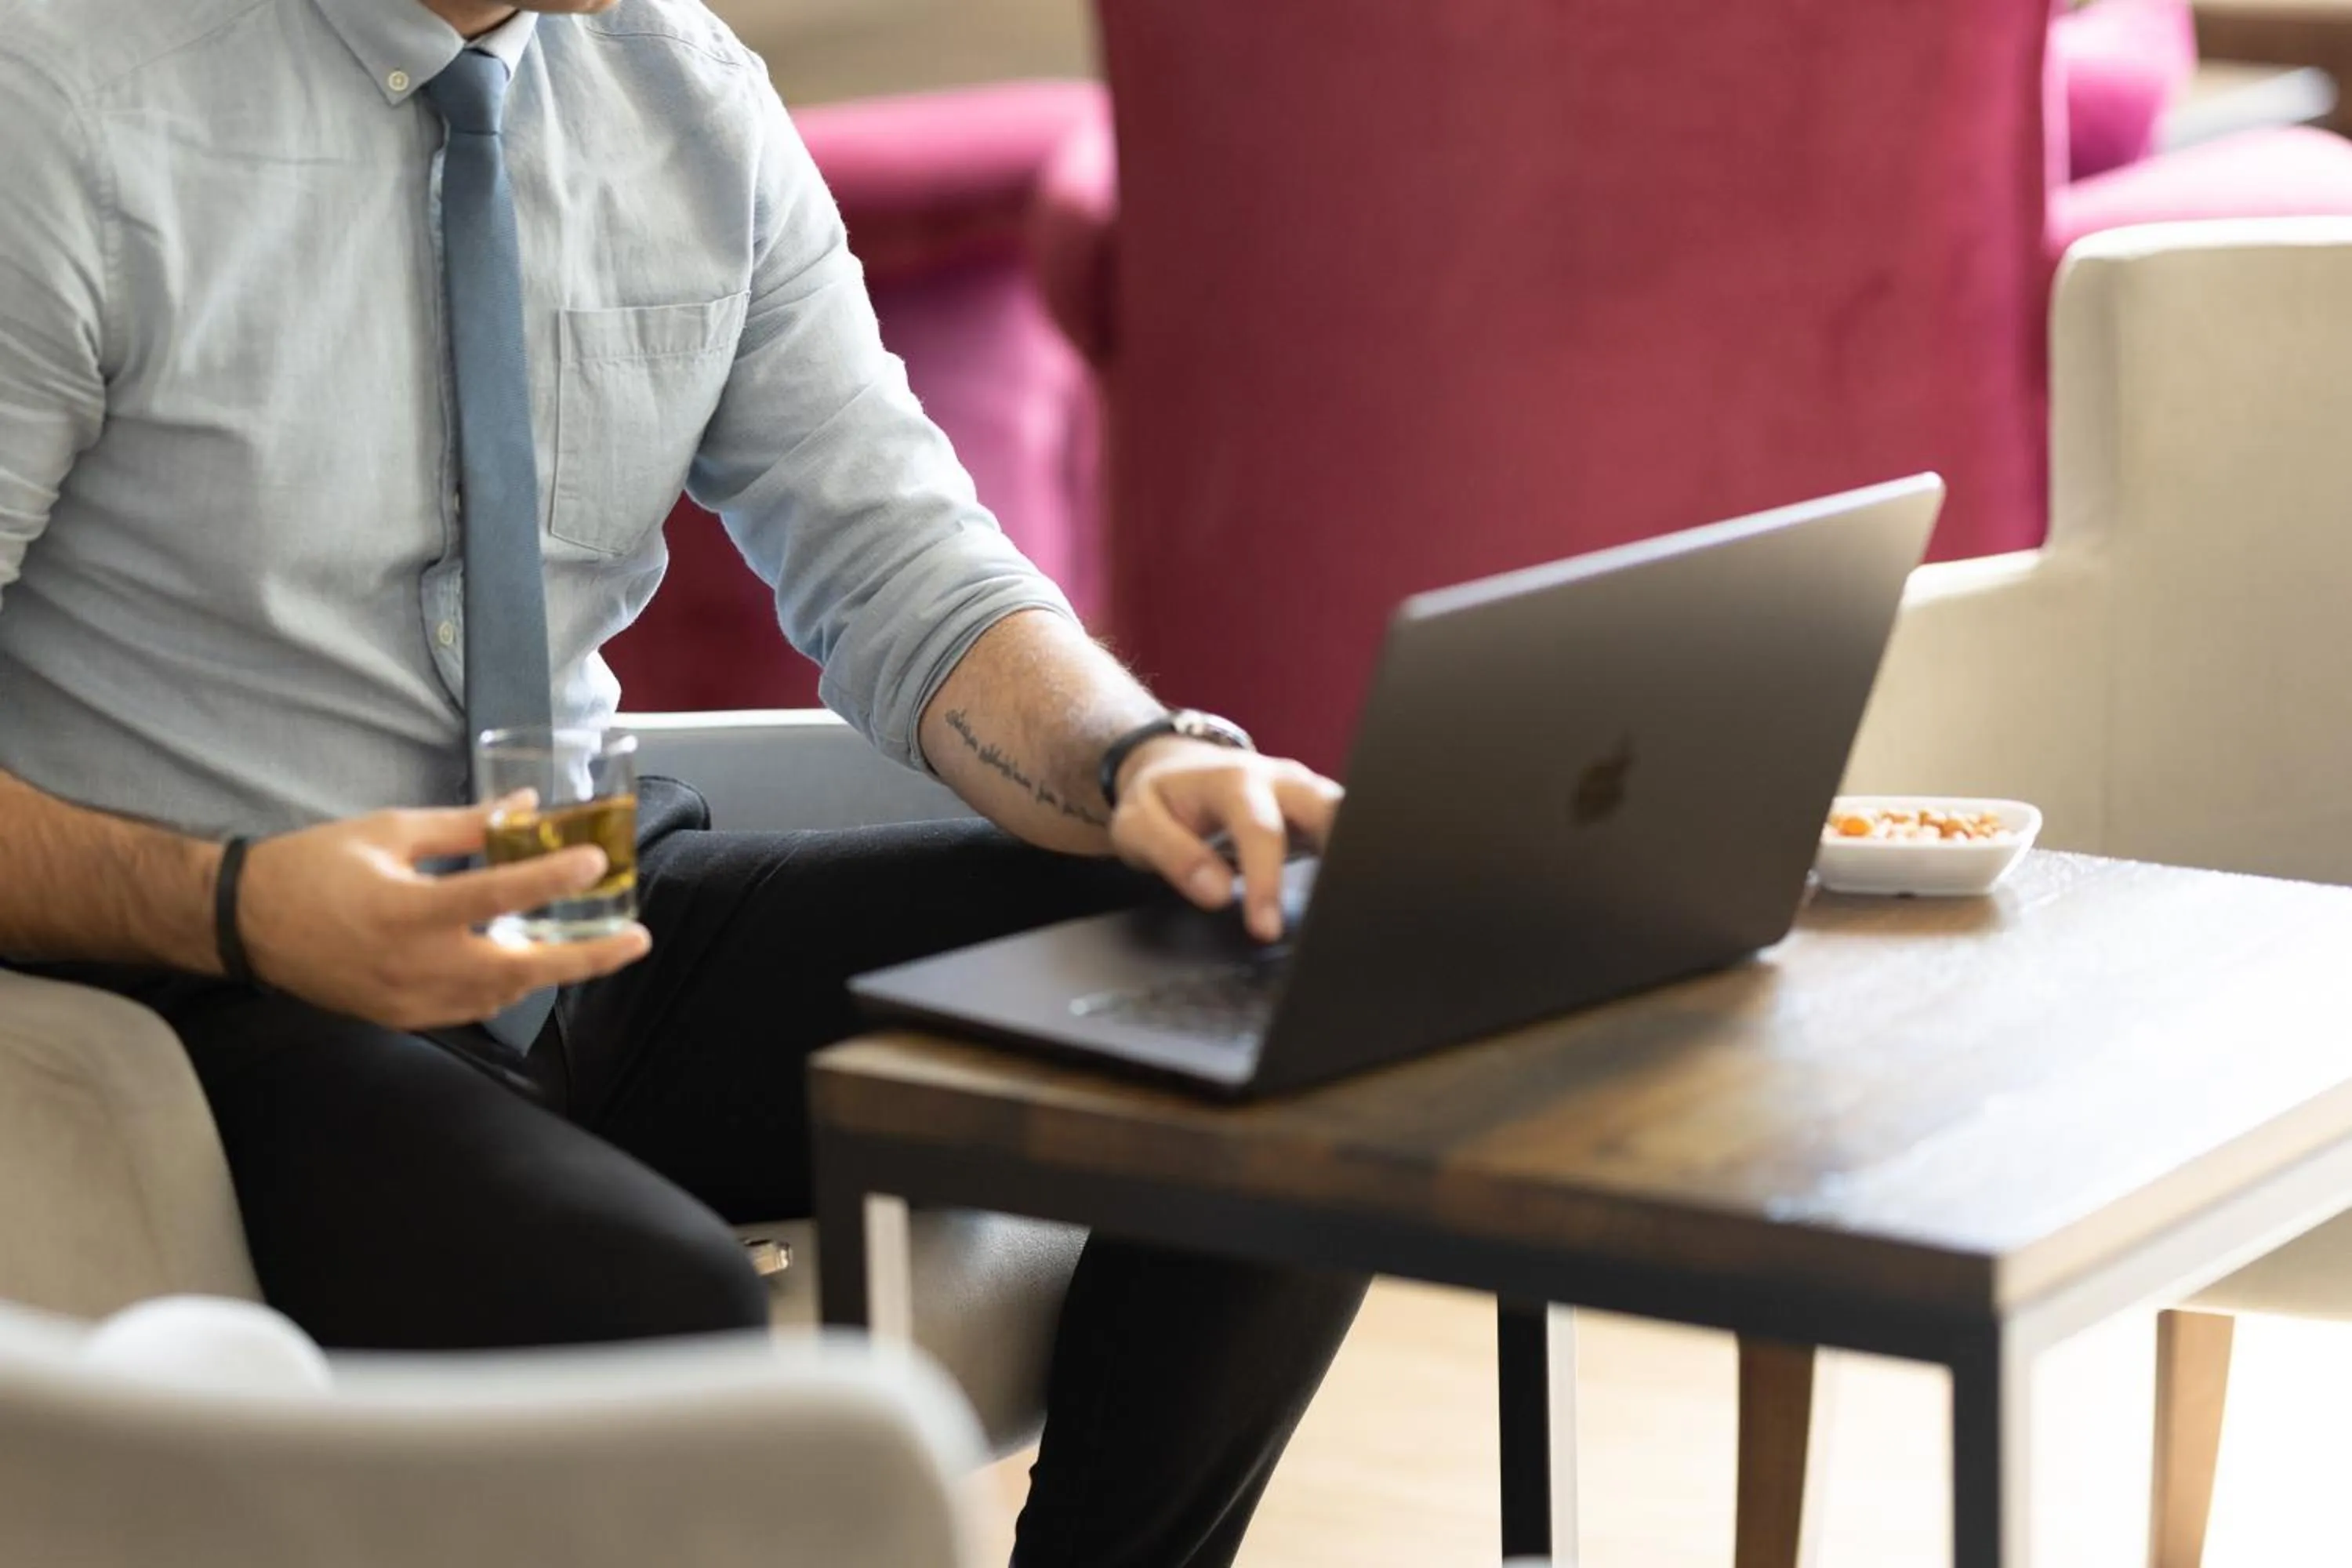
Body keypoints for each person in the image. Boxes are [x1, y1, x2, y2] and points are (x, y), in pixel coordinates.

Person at [0, 0, 1369, 1563]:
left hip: (588, 903)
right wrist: (235, 904)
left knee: (1290, 971)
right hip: (212, 984)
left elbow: (900, 554)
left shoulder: (687, 94)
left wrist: (1140, 756)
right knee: (661, 1320)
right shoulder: (65, 106)